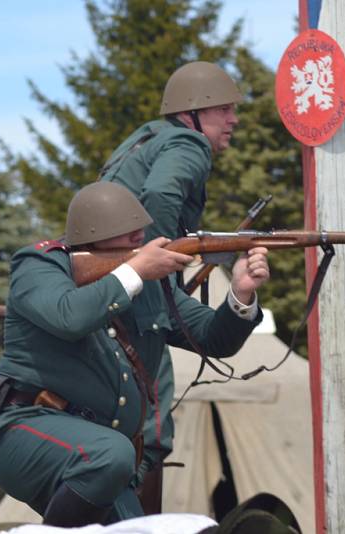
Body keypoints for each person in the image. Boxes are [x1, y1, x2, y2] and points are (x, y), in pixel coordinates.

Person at [0, 181, 269, 526]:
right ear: (91, 235)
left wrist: (240, 296)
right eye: (127, 231)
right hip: (24, 428)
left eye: (139, 230)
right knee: (110, 454)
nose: (140, 238)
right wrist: (134, 272)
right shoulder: (38, 265)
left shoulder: (148, 278)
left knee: (138, 525)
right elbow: (70, 317)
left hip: (104, 455)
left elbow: (213, 339)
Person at [98, 61, 243, 505]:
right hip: (135, 292)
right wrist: (160, 259)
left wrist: (239, 294)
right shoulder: (188, 143)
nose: (233, 120)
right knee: (152, 427)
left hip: (108, 288)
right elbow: (160, 196)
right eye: (222, 110)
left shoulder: (144, 140)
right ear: (192, 114)